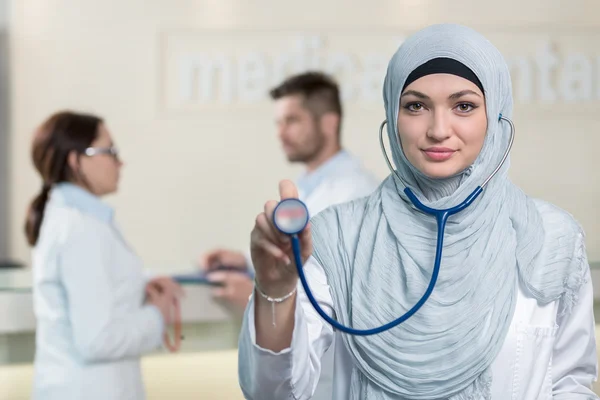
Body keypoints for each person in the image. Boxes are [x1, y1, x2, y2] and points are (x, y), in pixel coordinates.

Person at [238, 24, 599, 400]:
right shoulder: (338, 237)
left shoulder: (552, 238)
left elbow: (570, 384)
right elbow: (272, 392)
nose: (439, 130)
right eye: (416, 106)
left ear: (496, 116)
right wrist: (274, 291)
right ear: (393, 117)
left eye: (464, 106)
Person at [203, 71, 379, 400]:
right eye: (278, 123)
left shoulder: (355, 194)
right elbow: (303, 258)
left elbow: (342, 300)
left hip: (329, 378)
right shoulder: (311, 185)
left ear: (328, 123)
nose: (281, 133)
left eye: (292, 120)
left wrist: (265, 301)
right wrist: (245, 261)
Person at [26, 111, 183, 400]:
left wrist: (143, 282)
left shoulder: (79, 221)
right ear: (75, 160)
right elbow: (97, 340)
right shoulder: (79, 228)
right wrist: (156, 314)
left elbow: (96, 285)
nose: (119, 161)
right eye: (109, 151)